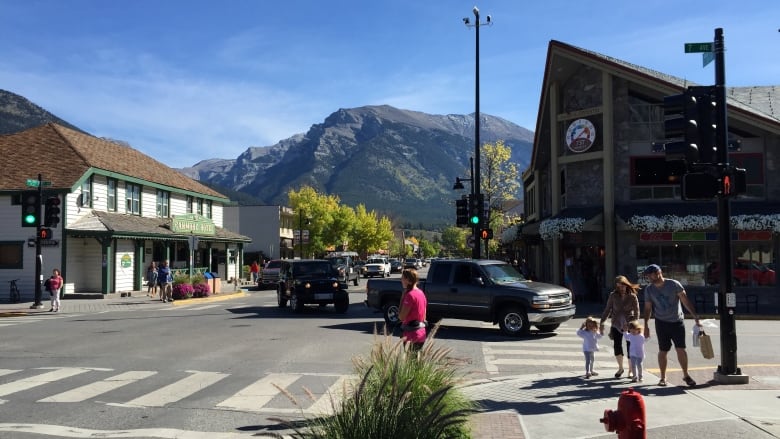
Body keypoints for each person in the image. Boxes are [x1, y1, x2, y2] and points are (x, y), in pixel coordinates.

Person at [642, 264, 701, 387]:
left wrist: (695, 316)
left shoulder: (674, 284)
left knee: (681, 349)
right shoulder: (649, 289)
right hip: (661, 322)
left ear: (659, 273)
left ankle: (685, 375)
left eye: (651, 275)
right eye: (647, 276)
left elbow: (685, 301)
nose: (649, 278)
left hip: (677, 321)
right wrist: (646, 325)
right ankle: (663, 377)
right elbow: (648, 308)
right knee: (663, 350)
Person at [599, 275, 641, 378]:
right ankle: (621, 368)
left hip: (629, 325)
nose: (621, 288)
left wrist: (632, 324)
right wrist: (602, 322)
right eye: (618, 286)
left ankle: (631, 370)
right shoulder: (613, 295)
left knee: (630, 347)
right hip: (616, 324)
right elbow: (608, 309)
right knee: (617, 346)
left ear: (626, 285)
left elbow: (637, 313)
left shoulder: (632, 296)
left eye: (622, 286)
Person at [398, 268, 427, 350]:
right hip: (421, 333)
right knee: (415, 361)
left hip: (411, 334)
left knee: (408, 361)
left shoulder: (410, 295)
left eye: (403, 278)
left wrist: (402, 298)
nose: (401, 280)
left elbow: (401, 317)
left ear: (408, 280)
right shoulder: (421, 293)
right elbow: (424, 316)